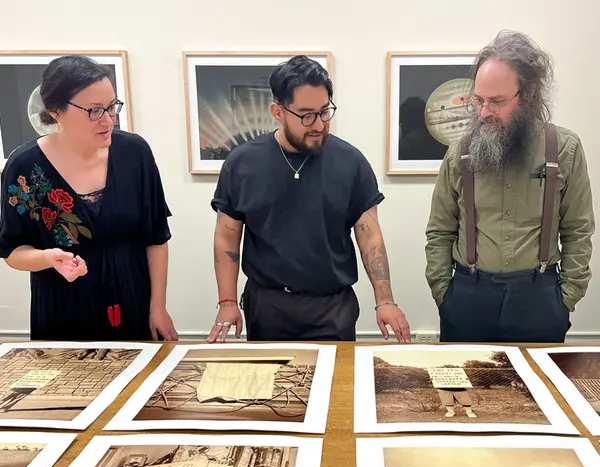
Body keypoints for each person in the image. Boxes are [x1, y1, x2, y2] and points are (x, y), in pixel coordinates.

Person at [208, 55, 410, 343]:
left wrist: (385, 300)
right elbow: (227, 237)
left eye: (324, 111)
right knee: (271, 386)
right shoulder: (242, 164)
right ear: (277, 111)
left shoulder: (351, 162)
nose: (318, 124)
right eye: (306, 115)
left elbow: (370, 236)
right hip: (268, 306)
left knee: (337, 387)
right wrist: (227, 302)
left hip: (332, 307)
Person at [425, 30, 594, 343]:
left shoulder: (564, 150)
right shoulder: (459, 153)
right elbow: (439, 231)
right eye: (479, 100)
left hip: (539, 300)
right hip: (468, 299)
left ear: (528, 94)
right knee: (461, 392)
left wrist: (567, 298)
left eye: (497, 101)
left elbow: (578, 230)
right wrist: (444, 295)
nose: (484, 111)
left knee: (539, 391)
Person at [0, 55, 177, 341]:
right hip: (64, 310)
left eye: (111, 107)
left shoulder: (134, 153)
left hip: (134, 302)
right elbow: (12, 251)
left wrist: (158, 306)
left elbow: (156, 237)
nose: (108, 120)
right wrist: (48, 257)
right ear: (56, 110)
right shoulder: (24, 167)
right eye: (94, 111)